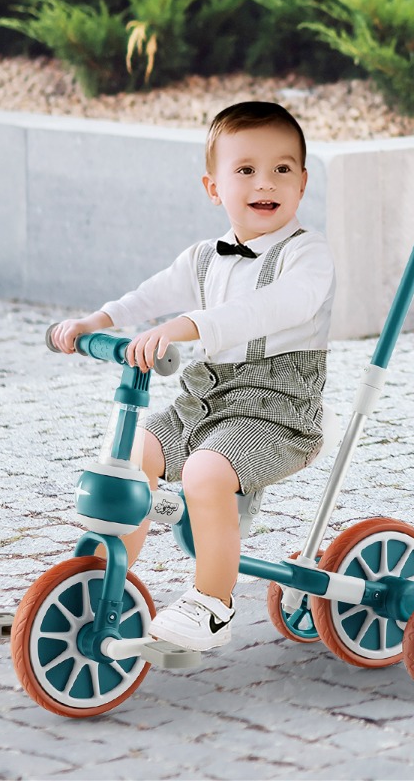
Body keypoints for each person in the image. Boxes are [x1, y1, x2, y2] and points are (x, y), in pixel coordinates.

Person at [49, 101, 335, 652]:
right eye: (245, 170)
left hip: (274, 414)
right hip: (200, 405)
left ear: (301, 182)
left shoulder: (308, 257)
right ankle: (102, 585)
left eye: (281, 169)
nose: (264, 182)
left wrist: (186, 326)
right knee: (130, 458)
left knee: (204, 472)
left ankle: (212, 600)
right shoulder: (205, 257)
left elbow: (271, 309)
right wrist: (98, 321)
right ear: (214, 187)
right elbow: (151, 293)